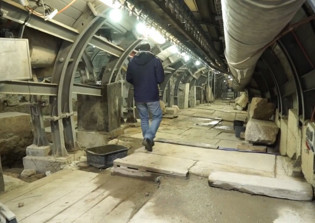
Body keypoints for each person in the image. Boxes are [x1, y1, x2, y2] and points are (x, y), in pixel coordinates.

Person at [126, 42, 164, 152]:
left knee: (144, 118)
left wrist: (138, 83)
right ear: (149, 49)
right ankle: (148, 137)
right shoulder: (155, 61)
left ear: (138, 50)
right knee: (157, 116)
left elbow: (129, 78)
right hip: (151, 94)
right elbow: (160, 79)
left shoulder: (132, 62)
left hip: (139, 95)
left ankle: (148, 140)